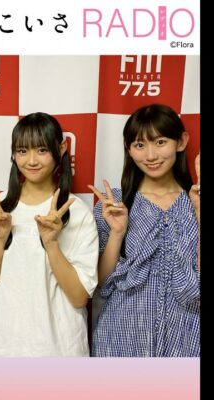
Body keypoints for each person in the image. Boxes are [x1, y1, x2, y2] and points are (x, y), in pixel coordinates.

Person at [0, 112, 99, 357]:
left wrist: (51, 243)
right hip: (5, 346)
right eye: (22, 151)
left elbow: (79, 297)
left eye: (42, 150)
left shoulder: (77, 212)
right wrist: (0, 238)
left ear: (61, 148)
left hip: (60, 350)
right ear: (13, 153)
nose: (31, 160)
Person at [88, 103, 200, 357]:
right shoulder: (115, 203)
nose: (150, 155)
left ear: (181, 142)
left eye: (160, 142)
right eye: (140, 145)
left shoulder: (195, 201)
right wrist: (117, 233)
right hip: (123, 338)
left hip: (186, 338)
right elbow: (102, 284)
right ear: (129, 149)